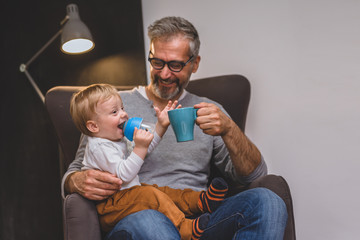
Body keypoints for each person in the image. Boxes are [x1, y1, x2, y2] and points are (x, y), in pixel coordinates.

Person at [62, 16, 288, 239]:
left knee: (267, 201)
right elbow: (76, 169)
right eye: (157, 62)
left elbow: (254, 175)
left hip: (199, 219)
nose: (165, 73)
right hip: (136, 214)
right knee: (150, 219)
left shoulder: (209, 110)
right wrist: (75, 181)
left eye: (176, 65)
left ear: (195, 63)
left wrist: (230, 130)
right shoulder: (108, 106)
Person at [69, 83, 229, 240]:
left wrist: (160, 126)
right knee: (151, 194)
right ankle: (184, 228)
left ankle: (201, 201)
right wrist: (139, 147)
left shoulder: (114, 138)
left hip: (127, 196)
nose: (124, 114)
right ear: (93, 126)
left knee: (163, 192)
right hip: (111, 206)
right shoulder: (99, 147)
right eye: (114, 112)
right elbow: (123, 175)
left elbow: (144, 150)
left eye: (122, 108)